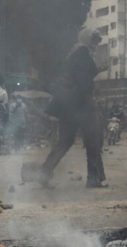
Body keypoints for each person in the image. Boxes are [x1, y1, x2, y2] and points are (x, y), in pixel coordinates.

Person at [41, 28, 108, 188]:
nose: (96, 43)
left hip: (69, 106)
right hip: (82, 105)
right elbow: (83, 80)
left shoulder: (76, 53)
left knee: (65, 141)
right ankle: (93, 178)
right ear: (86, 38)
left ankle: (43, 173)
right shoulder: (83, 53)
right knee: (92, 142)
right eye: (94, 40)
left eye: (98, 41)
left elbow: (77, 75)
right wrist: (89, 100)